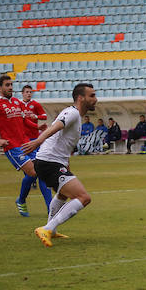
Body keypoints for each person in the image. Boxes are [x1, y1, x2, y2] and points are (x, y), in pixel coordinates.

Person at [21, 83, 98, 247]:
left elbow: (64, 144)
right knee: (84, 198)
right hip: (49, 162)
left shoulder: (76, 116)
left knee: (63, 195)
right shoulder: (72, 113)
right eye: (91, 95)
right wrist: (38, 141)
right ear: (80, 98)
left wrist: (67, 165)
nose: (95, 99)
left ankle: (51, 231)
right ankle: (48, 228)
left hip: (52, 162)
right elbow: (55, 127)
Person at [0, 75, 52, 217]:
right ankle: (21, 200)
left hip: (26, 143)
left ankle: (50, 209)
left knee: (41, 173)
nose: (10, 87)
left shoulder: (16, 102)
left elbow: (23, 120)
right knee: (34, 172)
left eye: (11, 85)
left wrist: (37, 127)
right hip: (12, 146)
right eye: (7, 85)